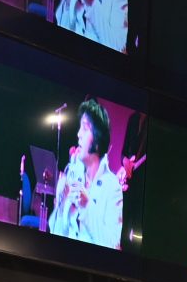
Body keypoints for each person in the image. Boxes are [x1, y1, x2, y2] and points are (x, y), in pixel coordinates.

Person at [47, 98, 132, 250]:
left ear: (97, 141)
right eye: (80, 128)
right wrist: (61, 204)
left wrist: (86, 206)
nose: (78, 134)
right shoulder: (74, 178)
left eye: (85, 128)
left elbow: (113, 244)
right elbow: (55, 234)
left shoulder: (112, 187)